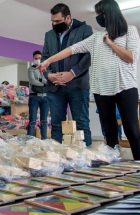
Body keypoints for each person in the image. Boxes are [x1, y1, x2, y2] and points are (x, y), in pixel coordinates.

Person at [40, 0, 140, 160]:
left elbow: (130, 57)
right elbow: (71, 50)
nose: (98, 18)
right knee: (109, 132)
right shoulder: (96, 37)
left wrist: (110, 43)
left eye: (100, 14)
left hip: (125, 87)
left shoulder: (130, 31)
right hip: (102, 90)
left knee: (132, 130)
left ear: (109, 14)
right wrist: (47, 61)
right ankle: (113, 167)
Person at [42, 3, 93, 146]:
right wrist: (49, 75)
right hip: (55, 87)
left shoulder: (84, 30)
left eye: (57, 21)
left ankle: (86, 160)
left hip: (77, 86)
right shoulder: (49, 35)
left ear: (68, 17)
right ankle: (58, 160)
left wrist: (72, 73)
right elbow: (45, 58)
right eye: (52, 21)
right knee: (56, 125)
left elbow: (89, 55)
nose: (54, 24)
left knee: (81, 123)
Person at [27, 50, 49, 139]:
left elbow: (48, 80)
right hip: (34, 97)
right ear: (33, 59)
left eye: (39, 58)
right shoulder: (31, 69)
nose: (37, 60)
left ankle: (44, 140)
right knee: (32, 120)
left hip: (46, 97)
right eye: (36, 58)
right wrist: (43, 83)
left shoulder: (46, 69)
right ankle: (29, 141)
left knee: (44, 121)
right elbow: (32, 81)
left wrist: (39, 80)